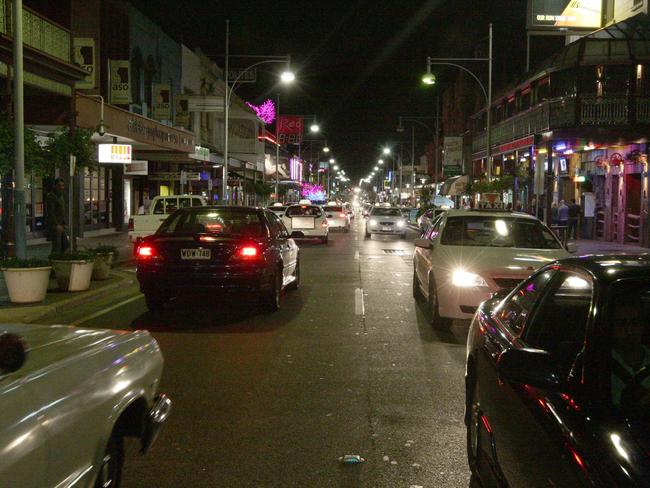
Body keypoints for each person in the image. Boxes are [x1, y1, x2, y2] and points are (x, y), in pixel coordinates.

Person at [45, 178, 69, 254]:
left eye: (62, 185)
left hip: (61, 224)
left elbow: (62, 210)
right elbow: (50, 212)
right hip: (55, 225)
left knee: (64, 244)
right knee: (57, 245)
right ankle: (54, 260)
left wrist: (64, 223)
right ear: (55, 186)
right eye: (59, 185)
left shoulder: (60, 196)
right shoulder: (52, 196)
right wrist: (56, 224)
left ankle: (60, 259)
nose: (61, 187)